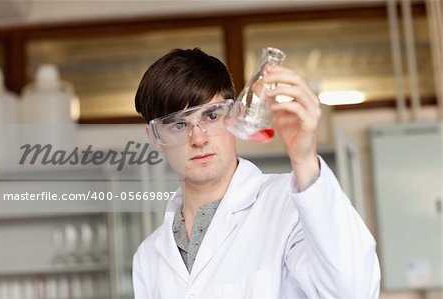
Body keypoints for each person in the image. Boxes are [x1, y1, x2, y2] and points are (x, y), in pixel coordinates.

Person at [132, 48, 380, 298]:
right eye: (177, 124)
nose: (197, 138)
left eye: (211, 115)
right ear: (155, 138)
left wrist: (304, 159)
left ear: (235, 114)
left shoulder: (288, 208)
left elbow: (353, 291)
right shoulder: (148, 256)